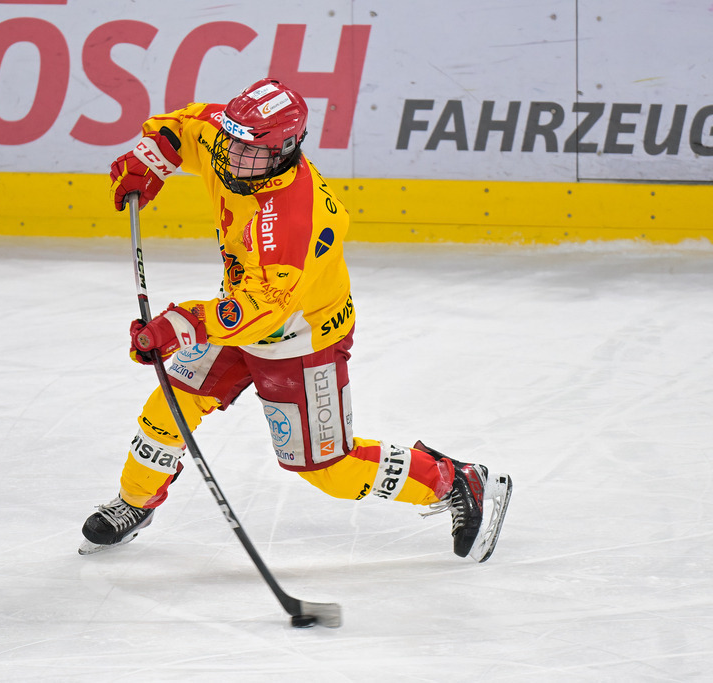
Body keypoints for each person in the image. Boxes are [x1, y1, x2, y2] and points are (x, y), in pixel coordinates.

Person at [79, 78, 512, 562]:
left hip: (300, 338)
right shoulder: (234, 138)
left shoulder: (294, 218)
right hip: (237, 315)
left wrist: (179, 326)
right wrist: (151, 158)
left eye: (250, 151)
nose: (232, 159)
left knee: (331, 470)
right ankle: (136, 502)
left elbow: (262, 310)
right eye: (232, 142)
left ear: (285, 150)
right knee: (168, 406)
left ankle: (457, 481)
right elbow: (181, 127)